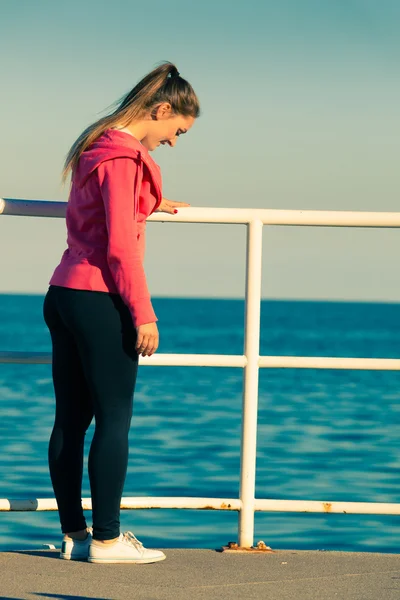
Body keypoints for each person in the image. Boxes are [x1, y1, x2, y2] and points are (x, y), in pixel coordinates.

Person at [42, 61, 200, 564]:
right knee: (115, 418)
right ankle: (108, 540)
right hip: (99, 298)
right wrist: (144, 314)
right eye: (176, 130)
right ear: (160, 110)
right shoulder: (125, 159)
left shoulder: (98, 148)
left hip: (63, 292)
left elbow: (99, 213)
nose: (174, 142)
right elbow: (119, 250)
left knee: (71, 418)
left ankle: (75, 535)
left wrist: (147, 200)